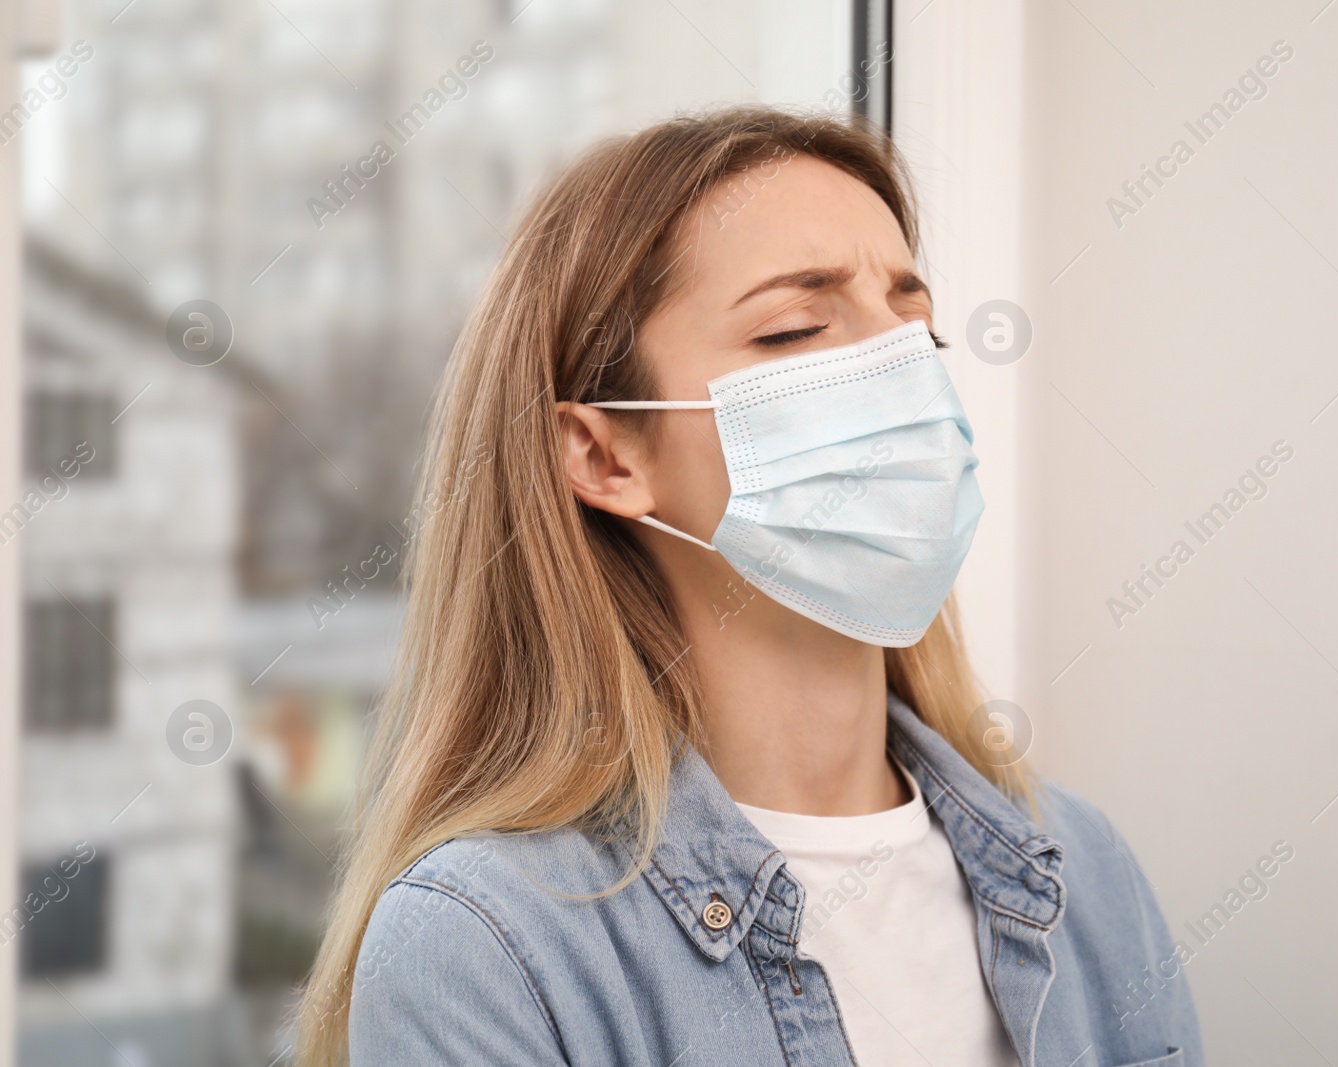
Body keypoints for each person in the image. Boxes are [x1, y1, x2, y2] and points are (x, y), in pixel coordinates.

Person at [296, 105, 1204, 1067]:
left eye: (917, 330)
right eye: (796, 327)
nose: (895, 372)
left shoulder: (1083, 870)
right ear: (604, 454)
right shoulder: (488, 947)